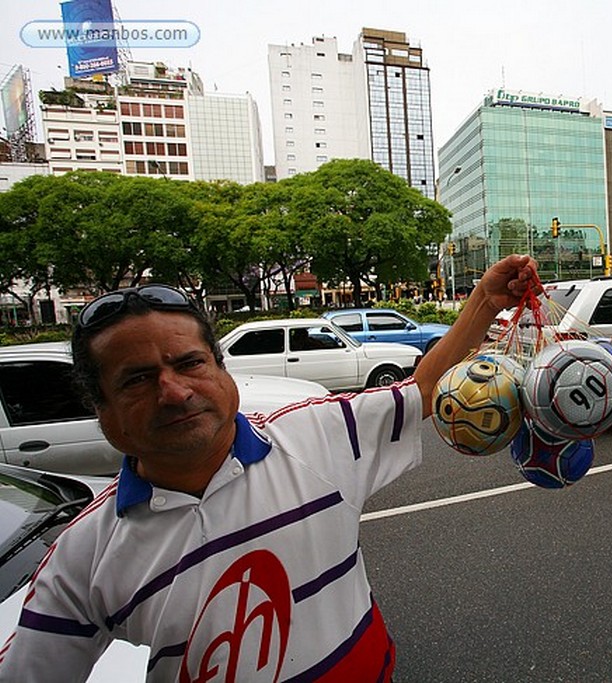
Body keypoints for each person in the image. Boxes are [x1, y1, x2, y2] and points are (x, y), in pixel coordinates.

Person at [0, 254, 538, 682]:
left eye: (189, 363)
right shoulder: (81, 557)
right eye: (137, 380)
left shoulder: (321, 435)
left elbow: (421, 390)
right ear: (101, 408)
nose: (174, 391)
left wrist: (484, 303)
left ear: (221, 368)